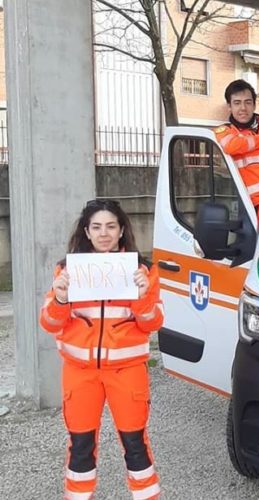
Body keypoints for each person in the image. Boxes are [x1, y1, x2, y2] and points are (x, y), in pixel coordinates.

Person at [39, 199, 163, 500]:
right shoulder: (67, 270)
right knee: (80, 446)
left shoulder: (143, 271)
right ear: (87, 231)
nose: (104, 233)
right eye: (97, 227)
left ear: (122, 231)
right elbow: (49, 323)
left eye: (110, 226)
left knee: (135, 444)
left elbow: (153, 323)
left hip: (127, 372)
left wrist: (142, 296)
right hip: (80, 374)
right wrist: (61, 299)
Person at [215, 79, 259, 219]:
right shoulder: (225, 131)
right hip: (256, 207)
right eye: (237, 103)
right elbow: (231, 146)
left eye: (248, 102)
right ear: (229, 106)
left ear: (254, 105)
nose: (243, 108)